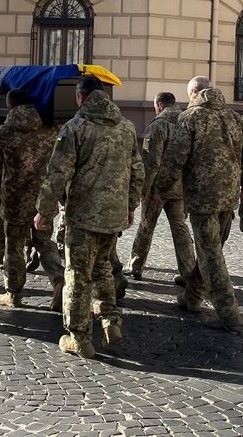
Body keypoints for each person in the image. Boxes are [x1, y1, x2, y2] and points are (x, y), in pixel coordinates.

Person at [35, 76, 143, 358]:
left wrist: (44, 211)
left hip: (82, 215)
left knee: (77, 275)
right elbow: (137, 171)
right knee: (104, 268)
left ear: (80, 98)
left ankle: (79, 337)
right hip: (114, 213)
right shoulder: (127, 127)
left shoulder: (75, 127)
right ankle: (110, 320)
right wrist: (130, 206)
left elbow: (58, 173)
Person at [153, 76, 243, 331]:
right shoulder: (235, 118)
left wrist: (160, 189)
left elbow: (174, 160)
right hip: (229, 199)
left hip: (202, 199)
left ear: (194, 93)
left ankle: (229, 313)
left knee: (211, 255)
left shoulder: (190, 118)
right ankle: (192, 297)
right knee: (211, 249)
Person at [0, 88, 65, 310]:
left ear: (9, 106)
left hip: (14, 198)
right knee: (44, 241)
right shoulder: (50, 130)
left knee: (13, 246)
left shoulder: (1, 133)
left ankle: (13, 293)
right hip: (43, 198)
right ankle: (59, 280)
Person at [128, 91, 196, 285]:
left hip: (158, 188)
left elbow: (151, 162)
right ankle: (188, 271)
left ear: (159, 104)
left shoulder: (158, 125)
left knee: (146, 226)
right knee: (180, 228)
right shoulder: (187, 121)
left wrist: (146, 190)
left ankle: (136, 266)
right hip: (180, 187)